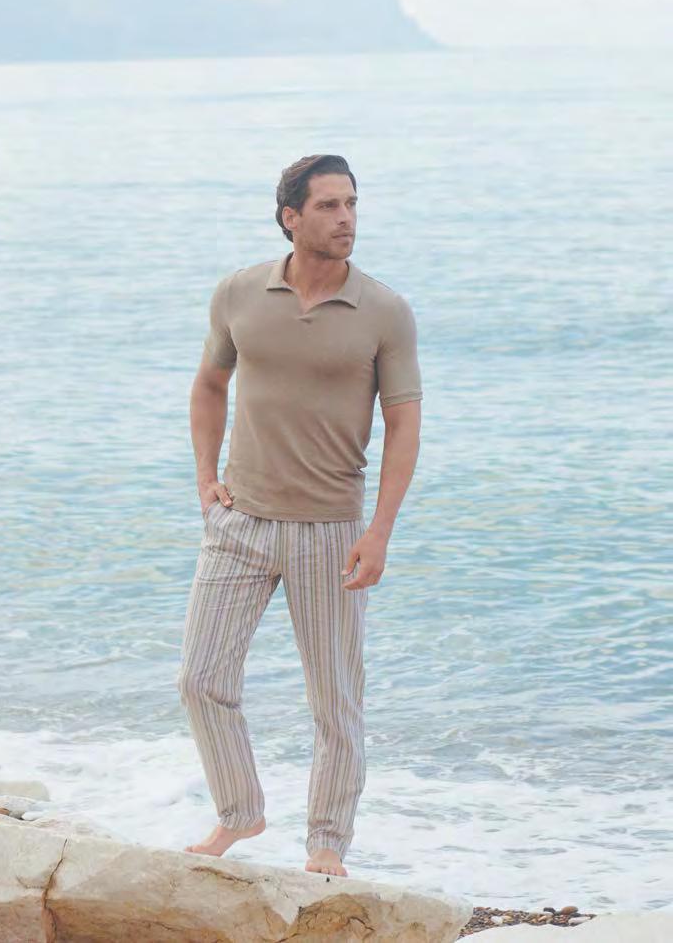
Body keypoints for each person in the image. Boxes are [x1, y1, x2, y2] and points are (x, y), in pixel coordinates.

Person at [177, 153, 422, 878]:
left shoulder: (384, 311)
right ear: (291, 217)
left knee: (335, 701)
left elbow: (404, 425)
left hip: (331, 530)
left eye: (352, 204)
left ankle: (327, 843)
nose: (346, 219)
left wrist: (379, 532)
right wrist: (205, 480)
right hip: (241, 523)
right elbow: (209, 386)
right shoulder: (239, 293)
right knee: (200, 679)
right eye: (329, 206)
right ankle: (239, 812)